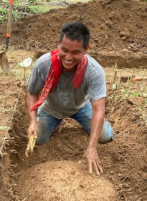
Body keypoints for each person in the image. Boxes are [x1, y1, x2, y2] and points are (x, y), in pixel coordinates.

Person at [26, 22, 113, 175]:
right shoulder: (44, 64)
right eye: (64, 50)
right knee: (38, 140)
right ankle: (52, 120)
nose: (68, 57)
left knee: (105, 137)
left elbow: (98, 109)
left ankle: (97, 127)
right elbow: (32, 93)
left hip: (81, 106)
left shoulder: (94, 71)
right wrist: (33, 122)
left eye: (75, 52)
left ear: (86, 49)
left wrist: (91, 147)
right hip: (51, 108)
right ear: (58, 44)